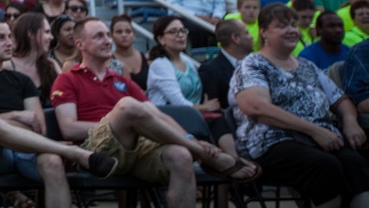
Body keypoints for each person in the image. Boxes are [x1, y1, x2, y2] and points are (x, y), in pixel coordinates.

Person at [51, 18, 260, 208]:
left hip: (138, 147)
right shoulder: (67, 79)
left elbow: (158, 116)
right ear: (80, 44)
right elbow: (69, 128)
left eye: (107, 35)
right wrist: (121, 122)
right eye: (99, 36)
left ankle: (193, 149)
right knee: (127, 107)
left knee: (180, 155)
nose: (107, 41)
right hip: (96, 152)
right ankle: (203, 154)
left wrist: (187, 138)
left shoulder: (122, 81)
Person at [0, 19, 119, 208]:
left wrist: (8, 126)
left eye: (9, 37)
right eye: (1, 38)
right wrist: (15, 116)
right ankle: (72, 152)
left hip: (26, 150)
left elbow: (39, 126)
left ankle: (65, 153)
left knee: (53, 161)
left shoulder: (21, 81)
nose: (9, 43)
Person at [230, 4, 369, 206]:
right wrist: (314, 131)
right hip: (271, 141)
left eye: (294, 25)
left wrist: (350, 122)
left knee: (356, 164)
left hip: (318, 138)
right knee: (325, 166)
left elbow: (341, 99)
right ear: (264, 32)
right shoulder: (252, 64)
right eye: (282, 25)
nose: (292, 30)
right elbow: (257, 108)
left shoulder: (306, 65)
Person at [146, 16, 233, 153]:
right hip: (170, 119)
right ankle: (234, 161)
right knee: (217, 122)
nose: (180, 35)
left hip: (192, 117)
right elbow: (177, 102)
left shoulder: (188, 62)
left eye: (183, 30)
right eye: (174, 31)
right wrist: (203, 107)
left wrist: (202, 105)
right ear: (161, 39)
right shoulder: (160, 65)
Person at [6, 12, 60, 107]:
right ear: (31, 34)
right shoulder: (7, 67)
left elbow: (68, 95)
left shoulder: (51, 65)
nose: (51, 37)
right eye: (47, 32)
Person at [198, 18, 254, 110]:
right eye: (247, 33)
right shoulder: (210, 70)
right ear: (235, 38)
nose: (251, 37)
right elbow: (214, 109)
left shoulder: (254, 64)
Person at [110, 14, 149, 91]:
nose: (124, 35)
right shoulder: (107, 61)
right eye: (119, 32)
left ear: (134, 35)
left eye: (128, 31)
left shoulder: (147, 59)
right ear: (112, 36)